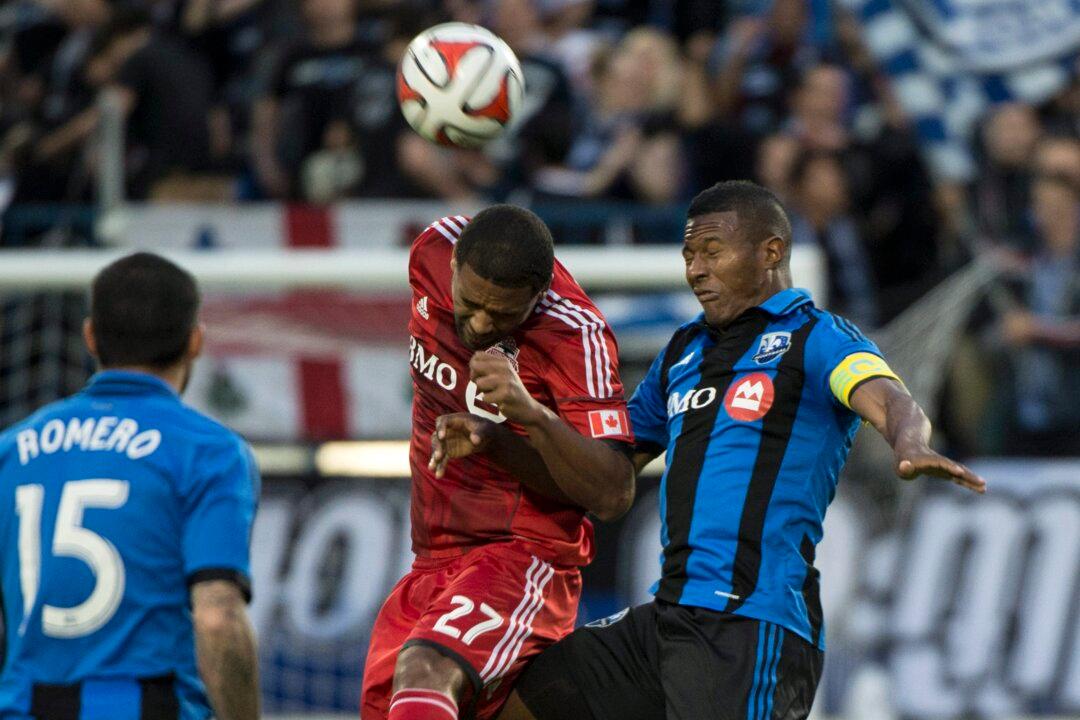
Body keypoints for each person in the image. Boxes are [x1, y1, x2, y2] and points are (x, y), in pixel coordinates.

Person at [495, 181, 985, 720]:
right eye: (689, 254)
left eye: (711, 251)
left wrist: (910, 443)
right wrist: (516, 429)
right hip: (668, 618)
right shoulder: (684, 350)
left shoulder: (817, 338)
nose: (696, 269)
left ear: (770, 251)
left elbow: (892, 400)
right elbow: (607, 471)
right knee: (512, 706)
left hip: (751, 625)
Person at [360, 206, 636, 720]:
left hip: (525, 555)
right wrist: (493, 438)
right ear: (453, 267)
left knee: (425, 673)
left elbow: (614, 490)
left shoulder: (577, 335)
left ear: (540, 293)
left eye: (505, 314)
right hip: (432, 557)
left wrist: (528, 414)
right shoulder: (431, 250)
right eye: (470, 304)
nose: (482, 324)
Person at [0, 253, 260, 719]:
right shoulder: (209, 452)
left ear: (90, 337)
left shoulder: (12, 450)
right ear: (195, 341)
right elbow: (217, 616)